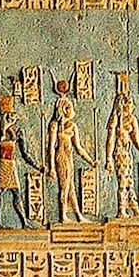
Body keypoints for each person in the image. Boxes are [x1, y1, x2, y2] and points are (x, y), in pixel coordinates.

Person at [101, 74, 139, 218]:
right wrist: (108, 159)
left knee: (129, 181)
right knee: (123, 181)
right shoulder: (116, 118)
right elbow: (110, 140)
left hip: (127, 153)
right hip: (118, 153)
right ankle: (121, 210)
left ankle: (134, 208)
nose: (133, 105)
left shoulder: (132, 120)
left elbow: (137, 143)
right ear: (123, 104)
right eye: (130, 103)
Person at [46, 79, 95, 224]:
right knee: (65, 187)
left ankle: (78, 215)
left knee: (71, 187)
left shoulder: (72, 126)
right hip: (60, 157)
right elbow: (50, 148)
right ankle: (63, 216)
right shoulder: (55, 125)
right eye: (70, 107)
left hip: (69, 157)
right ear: (64, 110)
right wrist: (52, 168)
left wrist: (90, 160)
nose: (73, 110)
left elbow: (79, 148)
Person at [0, 91, 35, 229]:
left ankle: (24, 222)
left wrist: (36, 165)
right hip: (3, 164)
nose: (14, 117)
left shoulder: (17, 130)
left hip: (12, 165)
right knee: (1, 192)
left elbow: (24, 153)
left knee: (16, 192)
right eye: (11, 115)